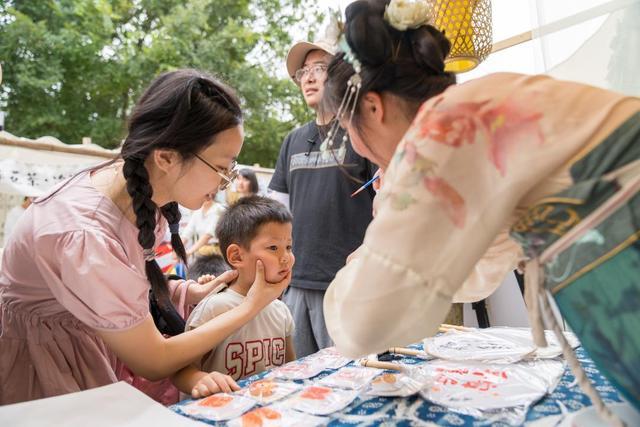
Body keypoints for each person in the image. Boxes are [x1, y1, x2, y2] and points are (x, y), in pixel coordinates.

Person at [321, 0, 640, 416]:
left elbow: (365, 324)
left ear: (372, 108)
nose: (358, 147)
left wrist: (361, 265)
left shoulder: (444, 129)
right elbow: (478, 270)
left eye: (348, 131)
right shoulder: (481, 103)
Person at [0, 69, 291, 404]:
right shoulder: (84, 234)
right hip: (46, 366)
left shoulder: (140, 197)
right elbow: (153, 360)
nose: (225, 182)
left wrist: (185, 291)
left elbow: (111, 283)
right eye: (222, 168)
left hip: (91, 344)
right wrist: (251, 306)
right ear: (166, 157)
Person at [268, 35, 377, 357]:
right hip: (296, 282)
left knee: (351, 377)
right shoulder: (293, 140)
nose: (309, 77)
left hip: (348, 285)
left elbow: (393, 206)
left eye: (320, 67)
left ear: (343, 74)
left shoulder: (364, 130)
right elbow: (276, 212)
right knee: (299, 378)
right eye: (303, 72)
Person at [173, 196, 295, 397]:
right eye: (273, 247)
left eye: (288, 247)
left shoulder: (280, 310)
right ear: (237, 256)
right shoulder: (214, 307)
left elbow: (290, 366)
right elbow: (179, 370)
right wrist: (199, 380)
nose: (285, 258)